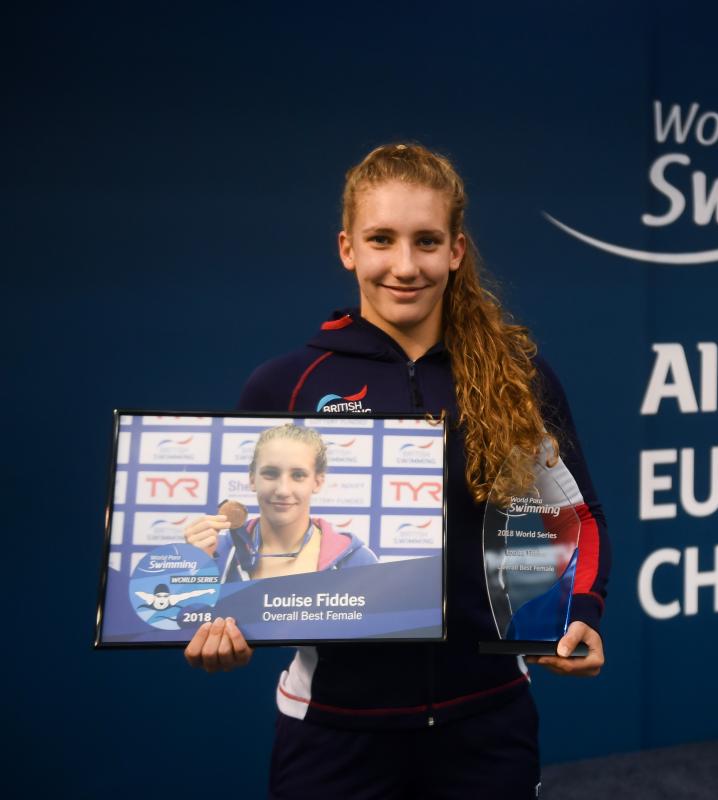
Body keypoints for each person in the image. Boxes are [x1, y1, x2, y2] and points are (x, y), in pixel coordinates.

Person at [183, 143, 610, 799]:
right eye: (381, 239)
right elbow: (234, 549)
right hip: (334, 731)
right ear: (347, 248)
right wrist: (220, 619)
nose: (404, 265)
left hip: (488, 722)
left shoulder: (514, 377)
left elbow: (573, 515)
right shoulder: (286, 386)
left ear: (457, 250)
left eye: (427, 241)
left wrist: (579, 612)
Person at [183, 423, 378, 582]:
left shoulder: (357, 561)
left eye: (298, 475)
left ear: (317, 481)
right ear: (252, 479)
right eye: (270, 473)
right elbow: (178, 623)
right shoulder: (215, 552)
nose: (283, 490)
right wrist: (191, 570)